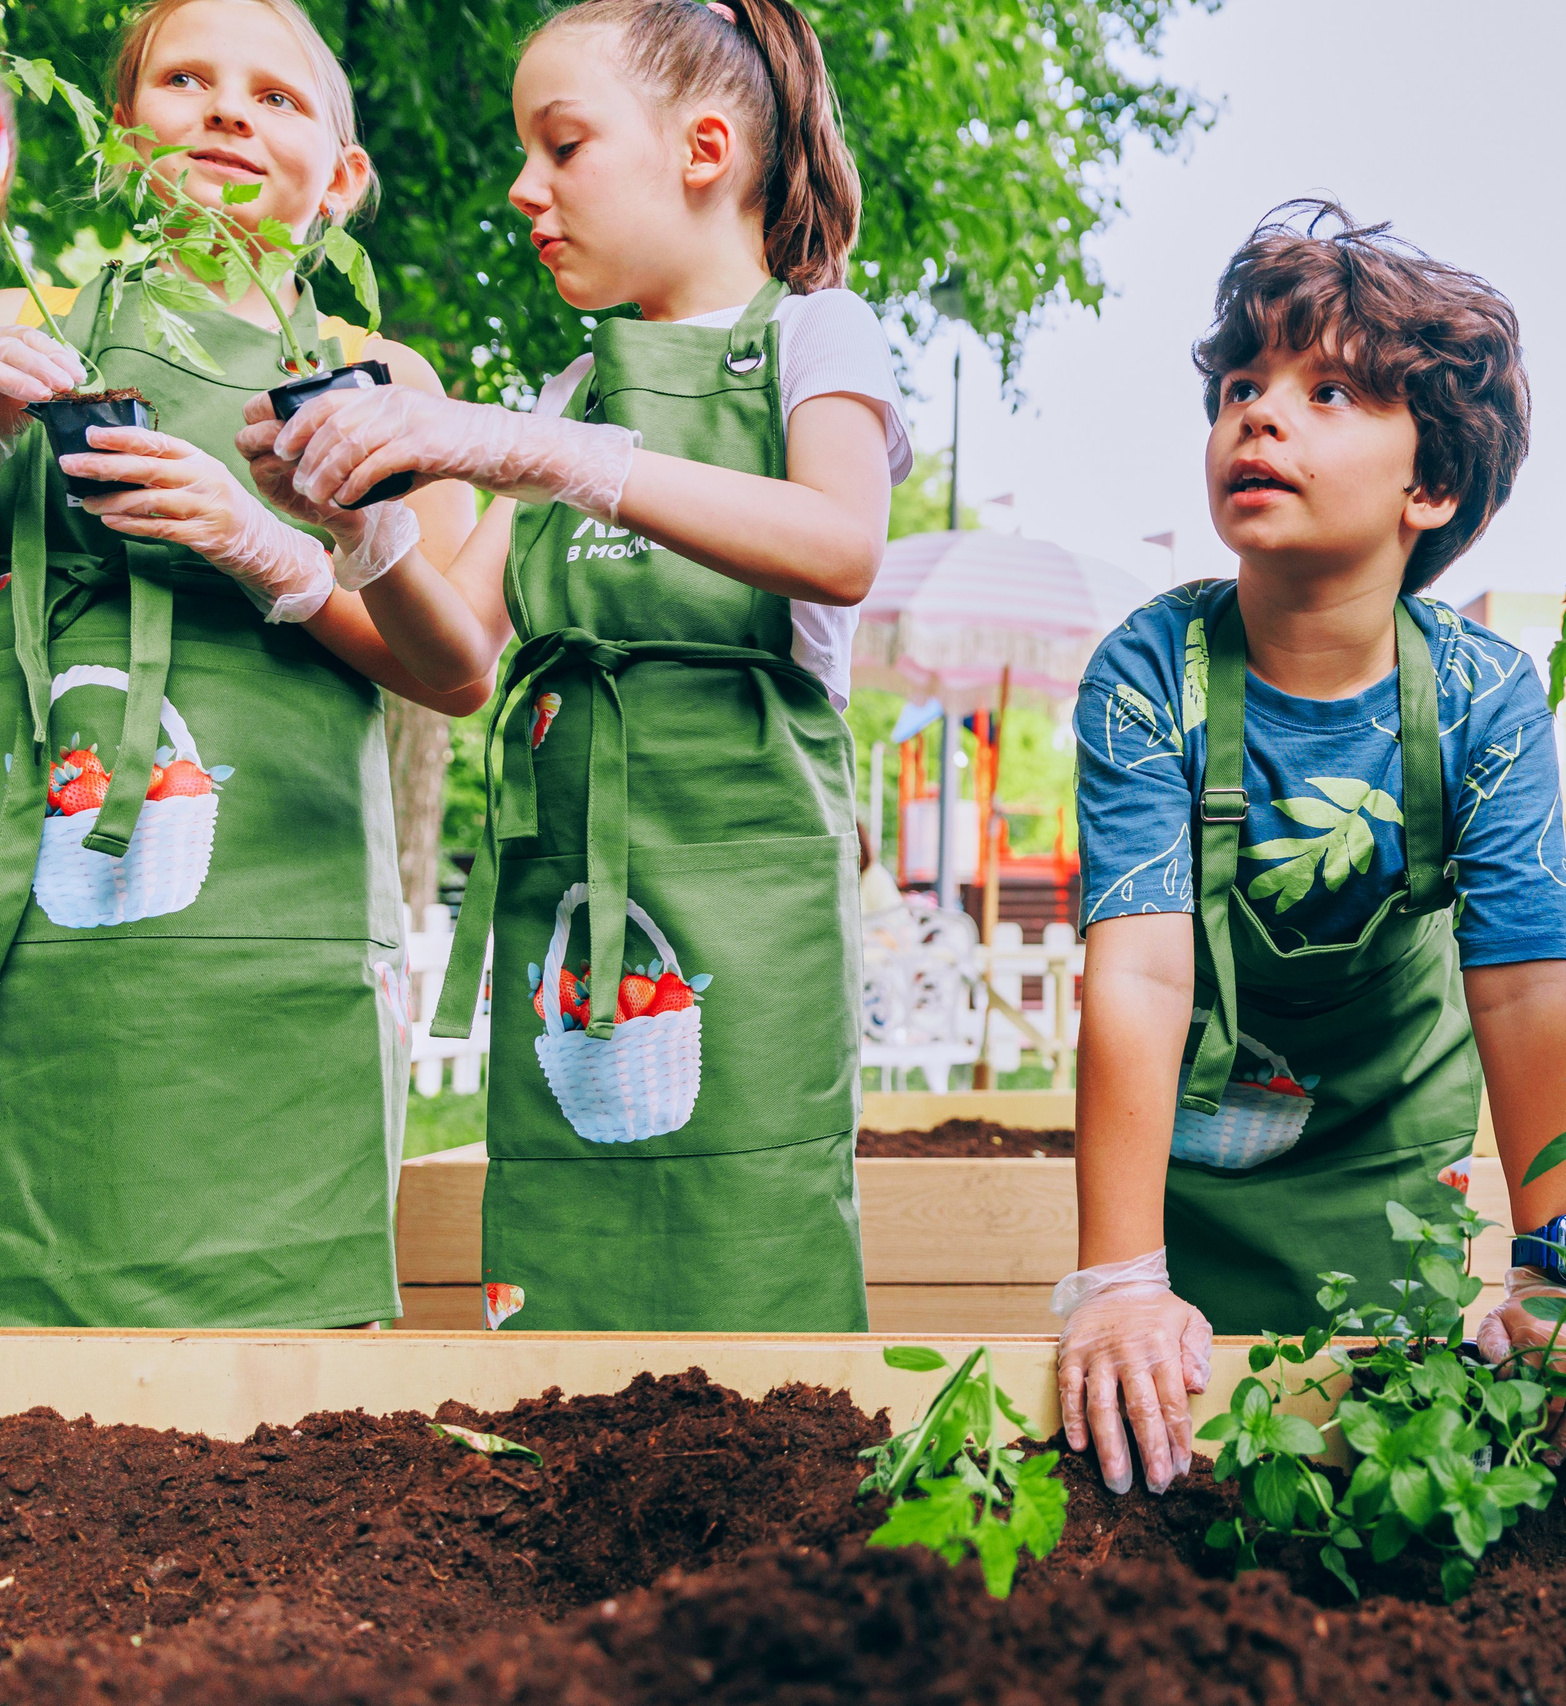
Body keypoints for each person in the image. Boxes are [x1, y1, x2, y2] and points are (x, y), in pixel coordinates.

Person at [240, 0, 909, 1332]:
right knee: (563, 1259)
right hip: (569, 904)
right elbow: (451, 656)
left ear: (704, 150)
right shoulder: (569, 389)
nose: (522, 188)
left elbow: (839, 546)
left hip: (752, 892)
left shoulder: (813, 334)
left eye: (563, 146)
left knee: (754, 1233)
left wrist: (528, 450)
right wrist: (334, 539)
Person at [1056, 203, 1566, 1499]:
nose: (1260, 415)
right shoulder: (1151, 668)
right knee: (1183, 1471)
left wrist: (1562, 1275)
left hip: (1387, 1156)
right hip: (1196, 1165)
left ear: (1433, 486)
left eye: (1329, 392)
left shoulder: (1481, 696)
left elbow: (1525, 989)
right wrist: (1120, 1281)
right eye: (1241, 386)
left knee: (1385, 1473)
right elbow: (1140, 973)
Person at [0, 0, 479, 1328]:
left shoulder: (382, 377)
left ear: (343, 177)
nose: (225, 110)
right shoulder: (31, 334)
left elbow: (453, 668)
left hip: (293, 908)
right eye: (185, 80)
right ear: (119, 134)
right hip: (53, 893)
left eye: (277, 97)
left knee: (286, 1355)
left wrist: (275, 553)